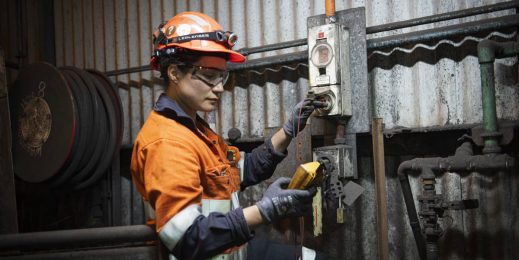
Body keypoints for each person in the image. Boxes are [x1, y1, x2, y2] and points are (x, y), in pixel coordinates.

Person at [131, 11, 317, 260]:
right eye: (209, 76)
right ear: (174, 73)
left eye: (222, 76)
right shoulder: (167, 143)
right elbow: (190, 239)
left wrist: (288, 130)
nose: (219, 87)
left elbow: (243, 169)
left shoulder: (195, 129)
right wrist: (267, 209)